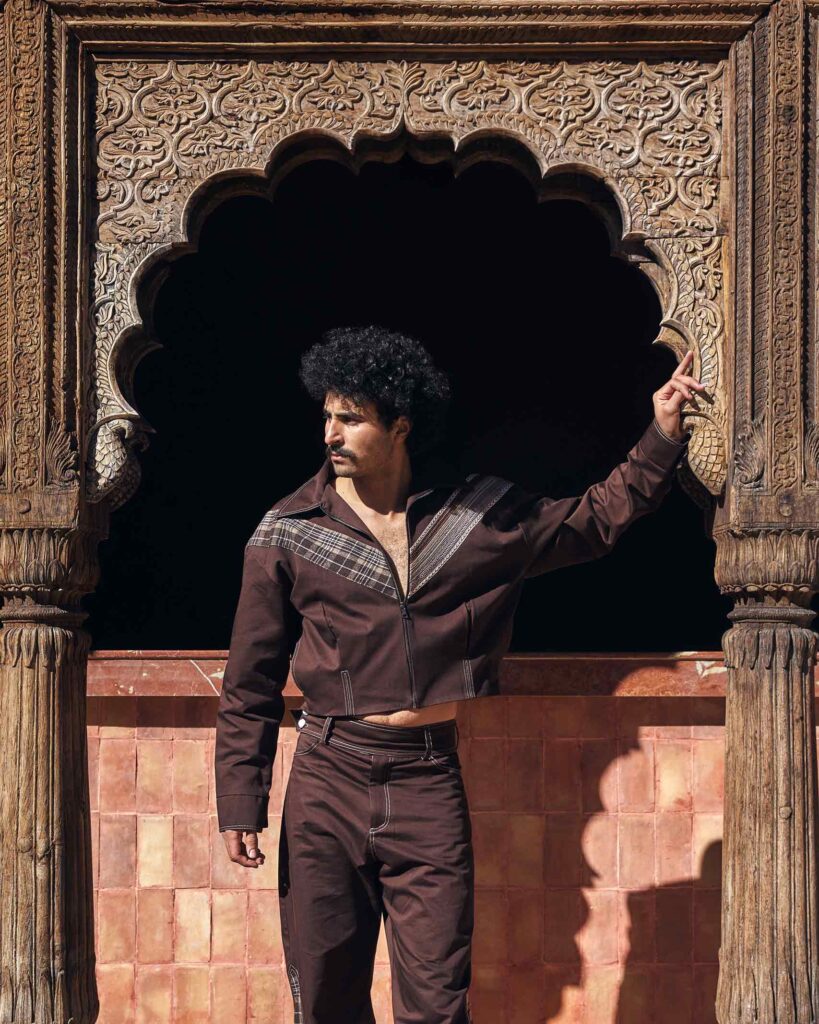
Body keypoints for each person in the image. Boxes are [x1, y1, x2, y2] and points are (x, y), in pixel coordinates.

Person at [213, 326, 703, 1024]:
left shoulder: (475, 519)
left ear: (399, 427)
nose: (329, 432)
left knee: (437, 1006)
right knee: (324, 999)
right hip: (326, 779)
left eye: (349, 418)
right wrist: (240, 796)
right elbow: (250, 678)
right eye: (326, 415)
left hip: (425, 780)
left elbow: (592, 522)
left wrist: (658, 435)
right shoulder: (289, 529)